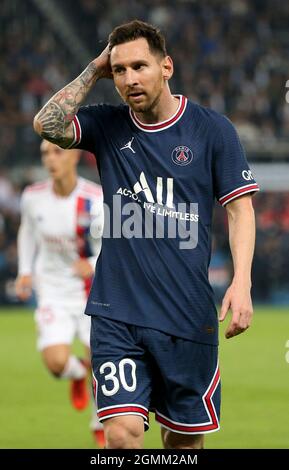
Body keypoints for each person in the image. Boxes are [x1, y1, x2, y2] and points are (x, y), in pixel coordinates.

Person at [33, 20, 259, 449]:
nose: (130, 79)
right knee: (121, 436)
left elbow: (240, 209)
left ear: (166, 67)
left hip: (187, 316)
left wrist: (242, 282)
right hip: (116, 311)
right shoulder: (107, 126)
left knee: (182, 443)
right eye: (119, 71)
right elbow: (47, 125)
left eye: (140, 66)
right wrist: (93, 69)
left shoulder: (213, 131)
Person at [15, 140, 105, 447]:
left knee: (102, 362)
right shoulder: (33, 197)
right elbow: (27, 231)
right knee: (56, 364)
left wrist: (92, 264)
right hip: (52, 290)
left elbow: (113, 249)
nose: (50, 159)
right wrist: (25, 271)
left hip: (90, 294)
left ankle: (99, 424)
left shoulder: (94, 199)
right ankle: (76, 373)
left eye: (57, 152)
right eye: (45, 154)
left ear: (75, 155)